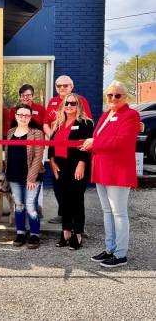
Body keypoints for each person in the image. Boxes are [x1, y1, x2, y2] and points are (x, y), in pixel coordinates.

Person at [81, 81, 140, 268]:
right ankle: (110, 248)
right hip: (102, 170)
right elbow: (99, 139)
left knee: (119, 213)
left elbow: (121, 141)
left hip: (118, 171)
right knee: (107, 212)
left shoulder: (131, 115)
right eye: (110, 95)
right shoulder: (106, 115)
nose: (113, 98)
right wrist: (89, 144)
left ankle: (121, 254)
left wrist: (94, 142)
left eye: (117, 95)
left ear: (125, 97)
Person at [43, 74, 92, 224]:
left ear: (72, 86)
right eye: (59, 86)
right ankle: (63, 214)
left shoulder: (80, 100)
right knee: (59, 187)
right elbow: (46, 123)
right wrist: (55, 137)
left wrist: (82, 161)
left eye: (65, 85)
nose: (62, 88)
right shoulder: (52, 102)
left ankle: (76, 227)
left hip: (75, 156)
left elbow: (87, 130)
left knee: (75, 192)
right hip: (57, 153)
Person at [49, 94, 94, 250]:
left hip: (76, 166)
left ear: (78, 105)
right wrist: (52, 163)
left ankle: (78, 234)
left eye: (72, 103)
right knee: (63, 200)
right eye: (66, 103)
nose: (69, 106)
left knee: (76, 201)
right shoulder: (58, 123)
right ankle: (66, 232)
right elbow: (51, 145)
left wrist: (81, 164)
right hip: (59, 166)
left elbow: (88, 146)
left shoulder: (85, 123)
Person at [5, 104, 44, 249]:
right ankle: (20, 232)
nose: (23, 118)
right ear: (16, 116)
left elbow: (38, 157)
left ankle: (34, 234)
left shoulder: (37, 133)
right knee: (19, 205)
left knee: (30, 206)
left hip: (31, 177)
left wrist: (31, 178)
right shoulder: (10, 132)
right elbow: (8, 155)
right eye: (20, 115)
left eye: (26, 115)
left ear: (30, 117)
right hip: (14, 175)